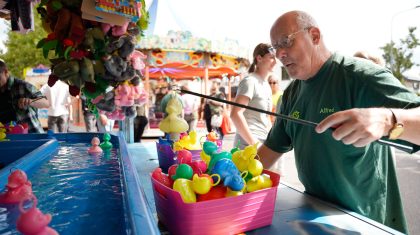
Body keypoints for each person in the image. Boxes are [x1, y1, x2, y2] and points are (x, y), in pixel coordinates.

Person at [258, 10, 420, 234]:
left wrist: (388, 119)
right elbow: (269, 150)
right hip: (314, 217)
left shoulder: (361, 77)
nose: (280, 54)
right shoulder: (292, 93)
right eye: (275, 47)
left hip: (366, 222)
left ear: (315, 36)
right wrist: (228, 174)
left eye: (286, 42)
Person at [230, 43, 276, 150]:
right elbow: (235, 113)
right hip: (247, 146)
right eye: (271, 58)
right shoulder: (250, 81)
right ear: (259, 58)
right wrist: (254, 143)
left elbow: (266, 118)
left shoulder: (266, 85)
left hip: (263, 142)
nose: (275, 62)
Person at [0, 59, 49, 133]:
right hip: (7, 139)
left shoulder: (22, 86)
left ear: (6, 72)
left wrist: (31, 101)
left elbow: (45, 103)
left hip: (32, 137)